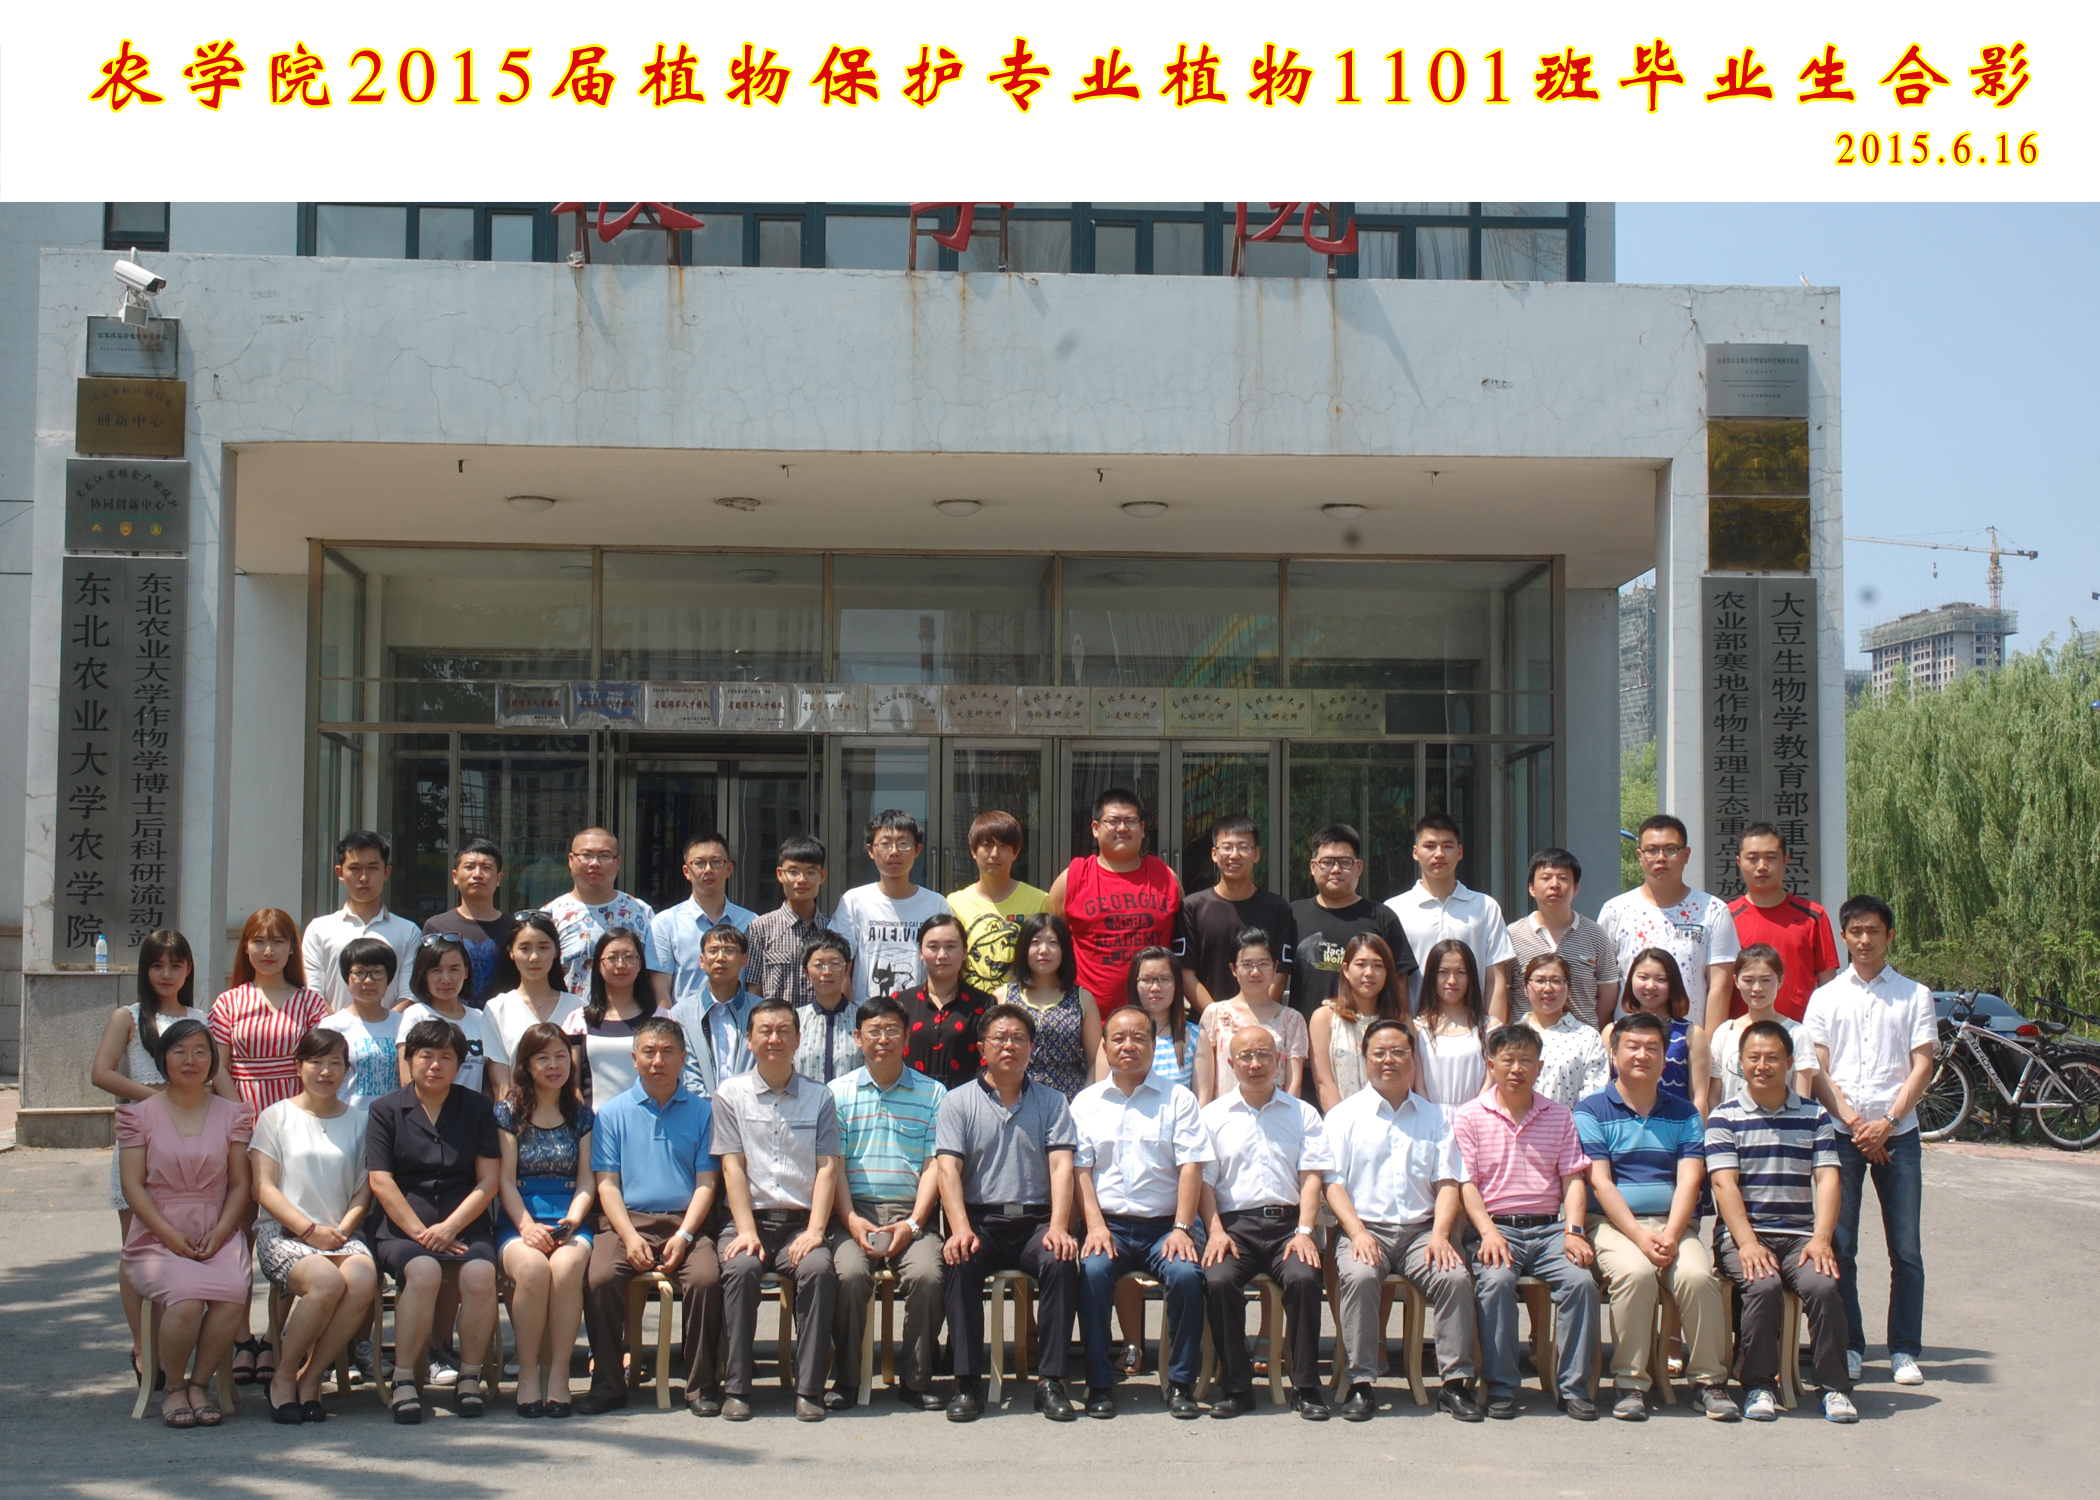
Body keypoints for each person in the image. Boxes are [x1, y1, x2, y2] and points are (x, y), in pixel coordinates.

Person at [1574, 1011, 1736, 1421]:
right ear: (1614, 1055)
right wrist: (1639, 1236)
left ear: (1666, 1059)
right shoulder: (1591, 1110)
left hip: (1673, 1224)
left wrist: (1672, 1232)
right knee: (1636, 1273)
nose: (1642, 1055)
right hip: (1611, 1225)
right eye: (1632, 1046)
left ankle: (1709, 1383)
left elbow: (1690, 1179)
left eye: (1653, 1048)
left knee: (1698, 1277)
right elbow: (1600, 1183)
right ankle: (1629, 1384)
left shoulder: (1684, 1113)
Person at [1804, 894, 1935, 1389]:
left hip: (1899, 1136)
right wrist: (1857, 1122)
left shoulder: (1914, 995)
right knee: (1840, 1246)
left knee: (1906, 1250)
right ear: (1844, 936)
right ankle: (1852, 1345)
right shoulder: (1826, 997)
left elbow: (1923, 1064)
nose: (1864, 940)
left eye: (1873, 931)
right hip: (1843, 1134)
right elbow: (1818, 1067)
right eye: (1856, 931)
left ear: (1889, 935)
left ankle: (1903, 1349)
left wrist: (1889, 1122)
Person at [92, 930, 234, 1385]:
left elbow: (221, 1080)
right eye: (157, 965)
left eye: (176, 965)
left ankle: (176, 1350)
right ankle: (142, 1347)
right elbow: (101, 1073)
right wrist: (157, 1102)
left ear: (189, 969)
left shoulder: (200, 1018)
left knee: (188, 1245)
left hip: (194, 1147)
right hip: (143, 1141)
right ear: (145, 970)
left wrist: (246, 1124)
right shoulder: (128, 1016)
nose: (167, 974)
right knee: (137, 1245)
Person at [1322, 1018, 1481, 1422]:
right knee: (1359, 1276)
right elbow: (1332, 1184)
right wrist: (1356, 1232)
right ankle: (1360, 1383)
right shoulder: (1343, 1116)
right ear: (1365, 1058)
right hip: (1364, 1228)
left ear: (1413, 1059)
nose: (1388, 1060)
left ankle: (1455, 1383)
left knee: (1455, 1278)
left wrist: (1441, 1235)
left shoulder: (1433, 1117)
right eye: (1379, 1053)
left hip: (1421, 1233)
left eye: (1398, 1052)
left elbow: (1448, 1183)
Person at [936, 1003, 1082, 1423]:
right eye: (999, 1038)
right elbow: (948, 1169)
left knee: (1060, 1260)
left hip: (1036, 1222)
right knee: (960, 1260)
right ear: (982, 1046)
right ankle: (967, 1382)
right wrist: (959, 1228)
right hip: (981, 1221)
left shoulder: (1053, 1101)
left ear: (1032, 1047)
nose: (1009, 1046)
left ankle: (1051, 1381)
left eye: (1019, 1038)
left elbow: (1062, 1167)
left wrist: (1059, 1226)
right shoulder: (957, 1102)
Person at [1706, 1020, 1856, 1422]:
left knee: (1823, 1285)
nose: (1763, 1065)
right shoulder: (1723, 1118)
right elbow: (1723, 1185)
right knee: (1763, 1284)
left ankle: (1834, 1388)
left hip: (1799, 1237)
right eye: (1753, 1057)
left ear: (1789, 1062)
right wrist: (1747, 1243)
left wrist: (1822, 1238)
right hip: (1743, 1236)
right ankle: (1758, 1385)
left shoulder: (1815, 1115)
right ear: (1740, 1063)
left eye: (1772, 1057)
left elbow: (1828, 1180)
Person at [1072, 1006, 1214, 1419]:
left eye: (1139, 1038)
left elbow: (1192, 1166)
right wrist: (1094, 1226)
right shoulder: (1086, 1102)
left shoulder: (1179, 1099)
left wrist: (1183, 1228)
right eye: (1118, 1038)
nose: (1128, 1046)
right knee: (1092, 1274)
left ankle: (1181, 1383)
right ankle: (1100, 1383)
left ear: (1154, 1045)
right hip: (1109, 1226)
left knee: (1187, 1277)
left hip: (1164, 1228)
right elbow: (1080, 1171)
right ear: (1104, 1046)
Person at [578, 1015, 724, 1418]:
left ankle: (701, 1386)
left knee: (706, 1279)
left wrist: (685, 1235)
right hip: (627, 1222)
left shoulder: (704, 1112)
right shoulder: (611, 1113)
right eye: (649, 1052)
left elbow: (707, 1183)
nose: (658, 1061)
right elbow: (607, 1184)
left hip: (685, 1222)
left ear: (683, 1058)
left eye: (667, 1052)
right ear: (634, 1058)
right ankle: (608, 1383)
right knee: (601, 1277)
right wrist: (629, 1237)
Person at [1453, 1025, 1599, 1420]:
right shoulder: (1470, 1116)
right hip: (1496, 1226)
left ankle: (1573, 1388)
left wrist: (1574, 1231)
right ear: (1491, 1065)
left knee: (1581, 1282)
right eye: (1508, 1060)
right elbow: (1467, 1185)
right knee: (1496, 1281)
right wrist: (1487, 1232)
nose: (1516, 1068)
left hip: (1550, 1229)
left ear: (1540, 1066)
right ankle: (1501, 1387)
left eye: (1526, 1061)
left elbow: (1573, 1179)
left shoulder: (1559, 1116)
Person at [117, 1018, 255, 1429]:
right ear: (163, 1059)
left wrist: (222, 1230)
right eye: (179, 1051)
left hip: (217, 1230)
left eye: (200, 1052)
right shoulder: (139, 1116)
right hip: (156, 1234)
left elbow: (240, 1183)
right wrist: (169, 1235)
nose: (190, 1060)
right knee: (186, 1298)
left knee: (232, 1293)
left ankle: (199, 1384)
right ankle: (173, 1387)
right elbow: (132, 1186)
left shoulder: (233, 1114)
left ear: (213, 1060)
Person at [365, 1019, 502, 1423]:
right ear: (409, 1059)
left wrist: (449, 1228)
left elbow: (488, 1180)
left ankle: (469, 1376)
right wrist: (421, 1233)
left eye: (447, 1057)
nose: (436, 1065)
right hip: (402, 1228)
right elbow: (380, 1180)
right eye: (426, 1055)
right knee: (423, 1272)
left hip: (463, 1225)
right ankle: (405, 1378)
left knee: (480, 1275)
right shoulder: (386, 1109)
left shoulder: (477, 1108)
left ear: (459, 1064)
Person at [712, 998, 843, 1421]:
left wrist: (816, 1231)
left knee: (818, 1269)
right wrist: (746, 1230)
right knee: (740, 1270)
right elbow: (732, 1166)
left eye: (783, 1030)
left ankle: (809, 1390)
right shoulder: (730, 1094)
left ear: (798, 1039)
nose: (774, 1039)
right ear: (749, 1040)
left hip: (800, 1224)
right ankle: (737, 1388)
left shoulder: (820, 1097)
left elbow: (827, 1168)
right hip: (747, 1220)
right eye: (765, 1031)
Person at [1197, 1024, 1331, 1420]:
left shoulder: (1303, 1113)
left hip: (1288, 1228)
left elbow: (1311, 1178)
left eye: (1263, 1055)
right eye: (1245, 1056)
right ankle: (1237, 1387)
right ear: (1231, 1063)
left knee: (1304, 1278)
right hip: (1233, 1228)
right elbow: (1204, 1183)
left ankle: (1306, 1387)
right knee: (1218, 1280)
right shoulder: (1213, 1116)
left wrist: (1305, 1232)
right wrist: (1215, 1231)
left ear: (1279, 1061)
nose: (1255, 1064)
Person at [249, 1027, 377, 1425]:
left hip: (340, 1233)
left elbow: (364, 1190)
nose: (325, 1071)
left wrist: (342, 1230)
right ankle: (283, 1377)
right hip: (284, 1233)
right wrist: (308, 1231)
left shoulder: (361, 1121)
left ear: (346, 1070)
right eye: (316, 1062)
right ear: (298, 1066)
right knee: (326, 1281)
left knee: (363, 1279)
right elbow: (264, 1188)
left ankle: (311, 1377)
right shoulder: (276, 1116)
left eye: (335, 1063)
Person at [826, 996, 949, 1411]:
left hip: (911, 1215)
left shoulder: (933, 1094)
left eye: (892, 1030)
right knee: (848, 1276)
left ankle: (916, 1380)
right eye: (874, 1031)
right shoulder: (838, 1093)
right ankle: (847, 1379)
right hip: (853, 1213)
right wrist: (850, 1220)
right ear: (857, 1038)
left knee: (928, 1276)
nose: (883, 1039)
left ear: (907, 1037)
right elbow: (834, 1167)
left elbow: (934, 1166)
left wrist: (913, 1224)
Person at [496, 1021, 596, 1417]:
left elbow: (587, 1180)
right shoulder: (508, 1113)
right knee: (534, 1269)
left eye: (560, 1057)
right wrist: (525, 1226)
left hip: (570, 1217)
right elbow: (504, 1180)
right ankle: (527, 1372)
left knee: (567, 1267)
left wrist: (572, 1220)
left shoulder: (582, 1116)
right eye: (543, 1058)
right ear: (526, 1064)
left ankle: (559, 1374)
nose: (554, 1065)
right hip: (520, 1217)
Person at [1047, 787, 1181, 1022]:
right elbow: (1050, 942)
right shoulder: (1072, 878)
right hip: (1088, 1021)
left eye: (1130, 821)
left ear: (1142, 829)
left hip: (1156, 1022)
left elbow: (1183, 944)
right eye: (1113, 821)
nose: (1122, 828)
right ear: (1095, 828)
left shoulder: (1166, 877)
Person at [1599, 814, 1741, 1032]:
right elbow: (1605, 986)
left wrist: (1708, 1047)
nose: (1661, 858)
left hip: (1690, 1042)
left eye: (1671, 849)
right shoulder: (1615, 911)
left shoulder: (1712, 910)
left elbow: (1720, 986)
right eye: (1652, 850)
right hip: (1630, 1041)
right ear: (1640, 855)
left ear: (1686, 854)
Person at [1385, 814, 1513, 1023]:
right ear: (1416, 853)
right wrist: (1403, 1033)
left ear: (1460, 852)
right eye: (1430, 846)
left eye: (1447, 846)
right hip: (1415, 1029)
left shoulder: (1485, 907)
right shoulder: (1395, 909)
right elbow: (1391, 982)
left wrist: (1492, 1034)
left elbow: (1495, 981)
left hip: (1474, 1029)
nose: (1439, 853)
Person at [1288, 822, 1415, 1026]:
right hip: (1303, 1035)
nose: (1335, 869)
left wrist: (1394, 1030)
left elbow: (1399, 983)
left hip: (1367, 1036)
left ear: (1359, 867)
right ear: (1313, 867)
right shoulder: (1293, 914)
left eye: (1345, 862)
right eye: (1327, 862)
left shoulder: (1382, 917)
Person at [211, 908, 333, 1115]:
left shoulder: (311, 1003)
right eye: (259, 941)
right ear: (246, 947)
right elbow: (219, 1067)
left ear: (292, 947)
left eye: (278, 941)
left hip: (299, 1114)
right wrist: (241, 1113)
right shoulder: (228, 1003)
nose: (268, 951)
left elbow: (323, 1062)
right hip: (241, 1113)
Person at [1176, 814, 1297, 1015]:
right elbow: (1185, 972)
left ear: (1256, 854)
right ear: (1214, 854)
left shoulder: (1278, 909)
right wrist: (1219, 1018)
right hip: (1208, 1024)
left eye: (1243, 847)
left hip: (1262, 1024)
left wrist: (1255, 1017)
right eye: (1227, 847)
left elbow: (1280, 972)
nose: (1234, 855)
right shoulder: (1192, 908)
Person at [831, 810, 953, 1003]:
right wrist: (849, 1012)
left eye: (903, 844)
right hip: (868, 1014)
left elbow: (950, 964)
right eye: (885, 844)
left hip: (920, 1013)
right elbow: (838, 961)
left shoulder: (936, 904)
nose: (894, 851)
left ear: (917, 850)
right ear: (871, 850)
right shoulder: (854, 902)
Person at [1728, 824, 1840, 1023]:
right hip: (1743, 1034)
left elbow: (1829, 987)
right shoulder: (1725, 917)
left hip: (1800, 1032)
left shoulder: (1813, 916)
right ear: (1739, 862)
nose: (1762, 866)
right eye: (1752, 858)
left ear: (1785, 859)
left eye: (1771, 857)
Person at [302, 831, 423, 1011]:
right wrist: (338, 1025)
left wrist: (385, 1024)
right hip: (331, 1028)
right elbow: (313, 993)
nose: (364, 877)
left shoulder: (408, 932)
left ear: (386, 872)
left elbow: (410, 994)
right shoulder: (319, 930)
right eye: (355, 868)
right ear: (339, 872)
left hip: (393, 1028)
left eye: (373, 868)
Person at [1506, 848, 1618, 1028]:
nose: (1554, 884)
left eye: (1563, 878)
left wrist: (1585, 1029)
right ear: (1532, 888)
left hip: (1581, 1041)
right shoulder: (1513, 935)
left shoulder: (1595, 935)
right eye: (1546, 878)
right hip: (1525, 1039)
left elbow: (1608, 994)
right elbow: (1502, 992)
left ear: (1576, 888)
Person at [646, 830, 758, 1008]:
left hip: (740, 1021)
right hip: (684, 1022)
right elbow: (661, 992)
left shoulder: (752, 922)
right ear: (686, 871)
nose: (708, 870)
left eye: (716, 862)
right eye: (699, 863)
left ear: (729, 869)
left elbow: (755, 986)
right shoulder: (665, 923)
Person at [1197, 929, 1310, 1101]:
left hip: (1276, 1113)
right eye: (1247, 965)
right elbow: (1204, 1086)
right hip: (1225, 1114)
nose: (1255, 972)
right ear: (1234, 969)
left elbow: (1293, 1084)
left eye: (1263, 964)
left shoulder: (1291, 1019)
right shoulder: (1214, 1014)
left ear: (1275, 967)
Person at [543, 827, 656, 997]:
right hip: (568, 1013)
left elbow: (654, 975)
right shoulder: (550, 915)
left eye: (604, 855)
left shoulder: (641, 912)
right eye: (586, 855)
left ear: (618, 862)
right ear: (571, 860)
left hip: (630, 1012)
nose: (595, 863)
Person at [562, 926, 666, 1109]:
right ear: (598, 964)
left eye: (629, 957)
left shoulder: (660, 1018)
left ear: (640, 964)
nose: (620, 965)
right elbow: (572, 1086)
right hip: (595, 1122)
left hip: (652, 1119)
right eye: (612, 958)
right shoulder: (578, 1021)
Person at [948, 810, 1050, 995]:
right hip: (969, 1005)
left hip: (1021, 1005)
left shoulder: (1039, 901)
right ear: (973, 851)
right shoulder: (954, 903)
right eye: (987, 845)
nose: (995, 854)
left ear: (1015, 852)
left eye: (1003, 846)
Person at [1004, 912, 1104, 1100]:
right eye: (1035, 942)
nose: (1044, 950)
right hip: (1015, 1101)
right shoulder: (1003, 996)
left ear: (1064, 949)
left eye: (1052, 942)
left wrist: (1084, 1104)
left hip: (1068, 1102)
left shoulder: (1082, 998)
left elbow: (1095, 1062)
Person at [483, 913, 584, 1098]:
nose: (534, 957)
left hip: (566, 1111)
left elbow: (576, 1084)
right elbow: (501, 1086)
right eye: (525, 948)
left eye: (543, 947)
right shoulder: (497, 1008)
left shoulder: (576, 1007)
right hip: (517, 1111)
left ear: (556, 952)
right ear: (511, 952)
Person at [1309, 933, 1408, 1113]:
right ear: (1346, 970)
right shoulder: (1324, 1018)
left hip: (1394, 1119)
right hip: (1342, 1121)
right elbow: (1324, 1082)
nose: (1369, 973)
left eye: (1378, 965)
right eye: (1361, 964)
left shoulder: (1401, 1021)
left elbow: (1408, 1080)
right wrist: (1345, 1123)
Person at [900, 912, 999, 1091]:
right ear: (920, 951)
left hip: (966, 1099)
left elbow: (989, 1060)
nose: (942, 955)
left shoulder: (984, 1004)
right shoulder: (901, 1003)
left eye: (951, 946)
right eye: (933, 947)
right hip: (910, 1099)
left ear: (965, 951)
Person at [1711, 944, 1818, 1108]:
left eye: (1766, 980)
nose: (1757, 988)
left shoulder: (1797, 1033)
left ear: (1780, 981)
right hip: (1731, 1122)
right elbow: (1714, 1096)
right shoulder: (1725, 1032)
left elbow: (1801, 1097)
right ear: (1736, 981)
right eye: (1748, 980)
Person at [417, 839, 520, 1005]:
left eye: (486, 867)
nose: (477, 874)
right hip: (450, 1017)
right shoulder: (436, 926)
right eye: (469, 867)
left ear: (498, 878)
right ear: (455, 877)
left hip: (502, 1017)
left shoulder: (514, 928)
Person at [668, 922, 762, 1098]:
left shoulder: (761, 1012)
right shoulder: (681, 1014)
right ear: (702, 961)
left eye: (729, 950)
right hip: (698, 1111)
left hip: (752, 1108)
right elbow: (686, 1072)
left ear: (744, 960)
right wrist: (708, 1109)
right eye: (713, 951)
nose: (720, 958)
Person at [742, 834, 834, 1009]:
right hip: (776, 1023)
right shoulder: (760, 928)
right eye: (793, 871)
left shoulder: (832, 929)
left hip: (821, 1023)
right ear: (780, 874)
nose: (801, 880)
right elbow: (753, 990)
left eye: (810, 872)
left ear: (822, 876)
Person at [1622, 948, 1713, 1115]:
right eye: (1643, 977)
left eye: (1661, 979)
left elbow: (1699, 1097)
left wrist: (1696, 1130)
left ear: (1674, 984)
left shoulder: (1692, 1034)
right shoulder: (1613, 1031)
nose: (1650, 986)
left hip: (1676, 1125)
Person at [318, 937, 404, 1108]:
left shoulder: (402, 1024)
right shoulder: (331, 1026)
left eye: (377, 972)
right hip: (347, 1117)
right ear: (347, 977)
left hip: (391, 1119)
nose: (368, 981)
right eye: (359, 973)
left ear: (389, 977)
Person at [396, 933, 487, 1093]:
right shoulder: (415, 1016)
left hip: (473, 1108)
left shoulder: (479, 1018)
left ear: (466, 972)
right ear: (424, 974)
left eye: (454, 969)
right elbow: (407, 1079)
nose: (446, 979)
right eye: (436, 970)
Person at [1518, 954, 1611, 1109]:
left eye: (1556, 981)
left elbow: (1595, 1095)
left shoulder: (1587, 1038)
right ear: (1526, 988)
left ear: (1569, 989)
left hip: (1571, 1123)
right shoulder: (1511, 1035)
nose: (1548, 988)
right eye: (1539, 981)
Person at [1412, 938, 1490, 1108]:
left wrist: (1472, 1114)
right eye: (1443, 972)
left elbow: (1492, 1081)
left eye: (1460, 972)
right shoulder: (1417, 1029)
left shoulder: (1490, 1028)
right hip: (1430, 1116)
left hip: (1477, 1116)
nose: (1452, 980)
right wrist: (1432, 1117)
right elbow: (1418, 1086)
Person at [791, 931, 863, 1085]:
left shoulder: (862, 1019)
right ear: (806, 971)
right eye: (818, 965)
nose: (827, 972)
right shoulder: (795, 1020)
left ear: (847, 968)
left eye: (835, 964)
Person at [1126, 946, 1200, 1096]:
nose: (1155, 987)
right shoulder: (1118, 1037)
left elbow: (1202, 1100)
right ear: (1135, 984)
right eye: (1146, 980)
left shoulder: (1195, 1036)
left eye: (1165, 979)